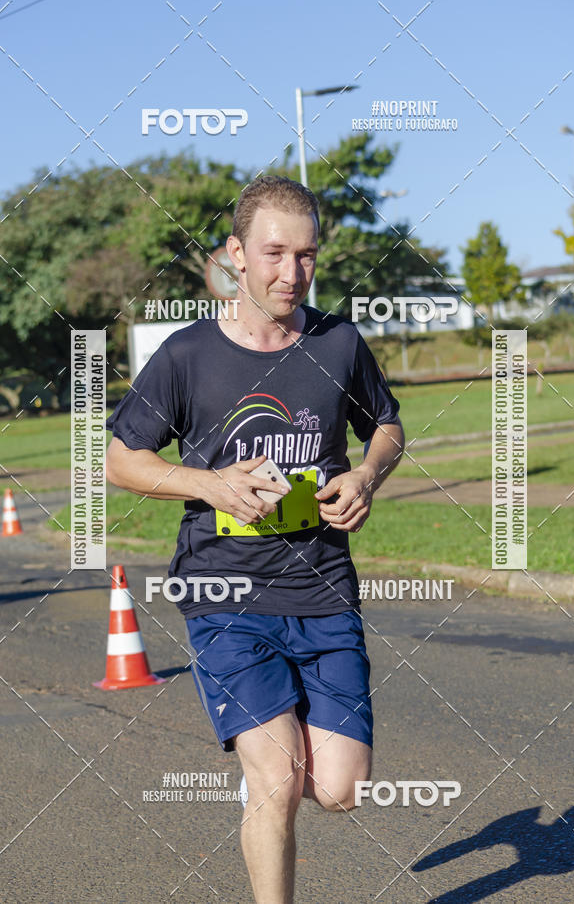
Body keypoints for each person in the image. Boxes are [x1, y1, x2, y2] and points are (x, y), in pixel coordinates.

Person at [105, 175, 405, 904]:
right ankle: (266, 781)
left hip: (323, 588)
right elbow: (119, 460)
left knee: (337, 788)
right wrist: (208, 484)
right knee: (276, 778)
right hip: (226, 590)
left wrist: (365, 476)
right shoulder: (187, 355)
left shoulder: (339, 343)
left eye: (306, 255)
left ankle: (274, 758)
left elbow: (388, 427)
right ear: (236, 254)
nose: (291, 273)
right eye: (274, 253)